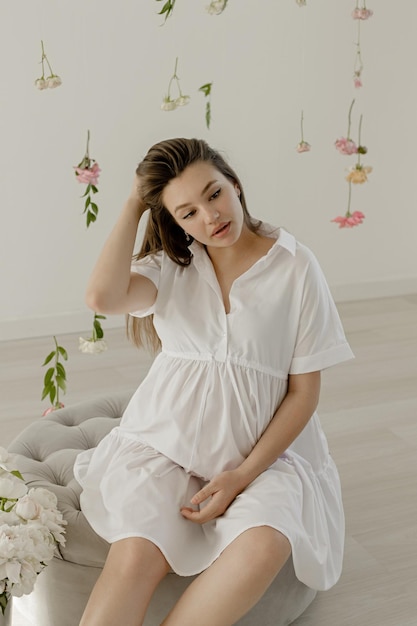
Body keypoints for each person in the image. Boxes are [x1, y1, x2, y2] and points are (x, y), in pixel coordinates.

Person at [74, 137, 354, 626]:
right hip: (165, 447)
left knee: (265, 542)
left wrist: (240, 477)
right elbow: (101, 296)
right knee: (137, 553)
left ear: (235, 185)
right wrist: (134, 203)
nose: (210, 217)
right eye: (187, 213)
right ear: (173, 221)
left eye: (214, 194)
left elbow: (304, 393)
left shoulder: (295, 266)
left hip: (260, 461)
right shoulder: (171, 268)